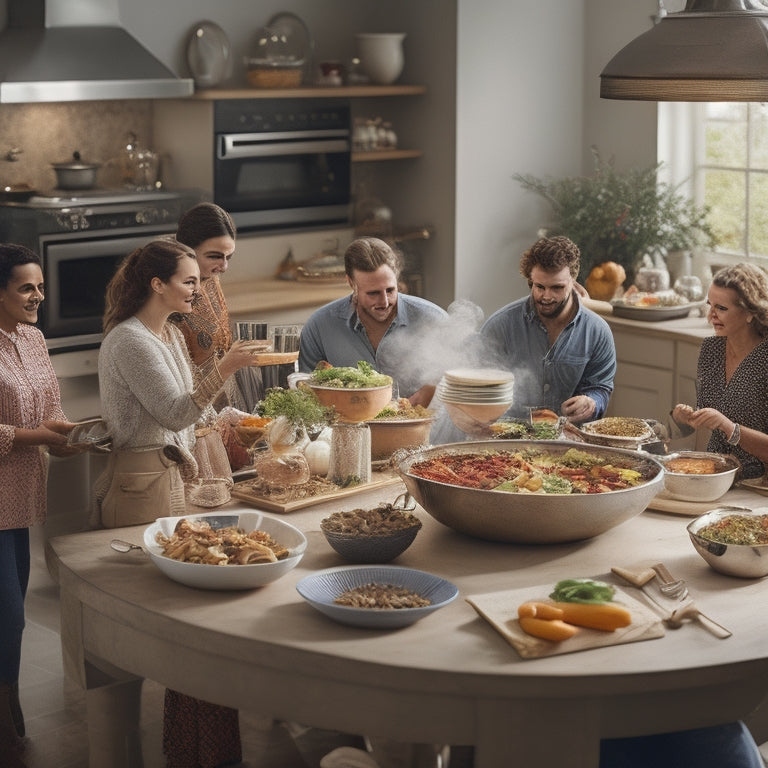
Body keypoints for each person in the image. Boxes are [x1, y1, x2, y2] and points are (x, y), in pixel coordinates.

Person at [93, 238, 259, 767]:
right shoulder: (130, 341)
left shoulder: (167, 333)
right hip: (143, 484)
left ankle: (195, 750)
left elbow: (187, 414)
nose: (201, 288)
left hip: (169, 476)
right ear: (156, 284)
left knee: (188, 626)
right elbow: (170, 412)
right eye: (190, 281)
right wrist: (227, 367)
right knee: (162, 631)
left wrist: (223, 419)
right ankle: (177, 751)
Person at [165, 206, 245, 764]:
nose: (220, 270)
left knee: (225, 564)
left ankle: (215, 738)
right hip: (183, 437)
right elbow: (179, 394)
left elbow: (218, 354)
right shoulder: (168, 304)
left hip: (213, 423)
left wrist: (230, 411)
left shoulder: (208, 288)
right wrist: (218, 392)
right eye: (213, 257)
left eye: (226, 259)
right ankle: (196, 743)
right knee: (200, 582)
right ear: (184, 250)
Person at [0, 243, 83, 767]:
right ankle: (5, 715)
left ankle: (7, 702)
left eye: (40, 286)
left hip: (22, 498)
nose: (38, 296)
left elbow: (50, 404)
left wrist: (66, 431)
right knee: (7, 615)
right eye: (26, 287)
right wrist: (35, 436)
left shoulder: (32, 338)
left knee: (14, 616)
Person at [299, 236, 449, 407]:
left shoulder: (434, 320)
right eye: (373, 293)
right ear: (351, 283)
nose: (385, 302)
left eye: (391, 290)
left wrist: (434, 388)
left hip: (424, 430)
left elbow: (463, 377)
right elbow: (307, 394)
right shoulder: (319, 326)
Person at [480, 235, 616, 422]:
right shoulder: (500, 326)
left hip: (569, 440)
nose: (546, 296)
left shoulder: (598, 332)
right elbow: (478, 389)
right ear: (530, 280)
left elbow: (601, 388)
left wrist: (592, 402)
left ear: (573, 282)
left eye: (557, 288)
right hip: (508, 439)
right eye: (539, 287)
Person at [671, 262, 768, 479]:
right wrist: (687, 416)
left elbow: (724, 422)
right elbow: (708, 417)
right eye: (710, 305)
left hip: (759, 484)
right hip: (715, 474)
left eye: (721, 308)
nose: (711, 316)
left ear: (750, 312)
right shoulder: (711, 349)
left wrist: (730, 428)